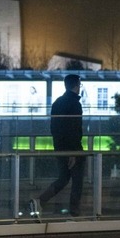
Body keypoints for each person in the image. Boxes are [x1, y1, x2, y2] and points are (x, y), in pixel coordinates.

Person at [29, 74, 84, 218]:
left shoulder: (57, 102)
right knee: (77, 179)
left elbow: (55, 128)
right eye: (79, 85)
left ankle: (40, 201)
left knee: (64, 178)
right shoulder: (75, 104)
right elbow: (74, 129)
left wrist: (61, 148)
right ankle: (74, 211)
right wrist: (74, 152)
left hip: (59, 147)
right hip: (73, 148)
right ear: (76, 85)